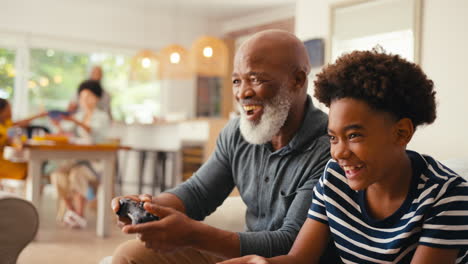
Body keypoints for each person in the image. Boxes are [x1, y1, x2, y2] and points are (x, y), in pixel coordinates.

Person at [219, 50, 468, 264]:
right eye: (333, 138)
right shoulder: (334, 178)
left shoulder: (446, 196)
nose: (338, 153)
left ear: (401, 133)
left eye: (354, 136)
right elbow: (299, 259)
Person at [109, 30, 334, 264]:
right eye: (237, 81)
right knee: (129, 256)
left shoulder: (330, 147)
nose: (242, 93)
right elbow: (199, 192)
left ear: (297, 80)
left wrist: (193, 235)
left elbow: (291, 245)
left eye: (256, 79)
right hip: (245, 251)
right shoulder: (237, 133)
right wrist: (149, 207)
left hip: (286, 260)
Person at [50, 80, 110, 228]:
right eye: (81, 97)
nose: (84, 100)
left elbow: (92, 132)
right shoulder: (79, 114)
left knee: (77, 174)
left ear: (96, 98)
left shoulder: (102, 117)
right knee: (57, 175)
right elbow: (65, 130)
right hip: (75, 161)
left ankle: (79, 214)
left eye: (88, 96)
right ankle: (72, 212)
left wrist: (75, 121)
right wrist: (59, 125)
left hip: (95, 163)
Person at [0, 98, 47, 180]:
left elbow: (21, 123)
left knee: (35, 164)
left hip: (9, 158)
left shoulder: (6, 123)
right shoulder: (2, 129)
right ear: (2, 111)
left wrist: (38, 115)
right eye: (9, 108)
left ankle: (33, 188)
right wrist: (19, 142)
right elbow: (11, 137)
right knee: (33, 165)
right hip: (4, 163)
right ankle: (32, 189)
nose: (11, 110)